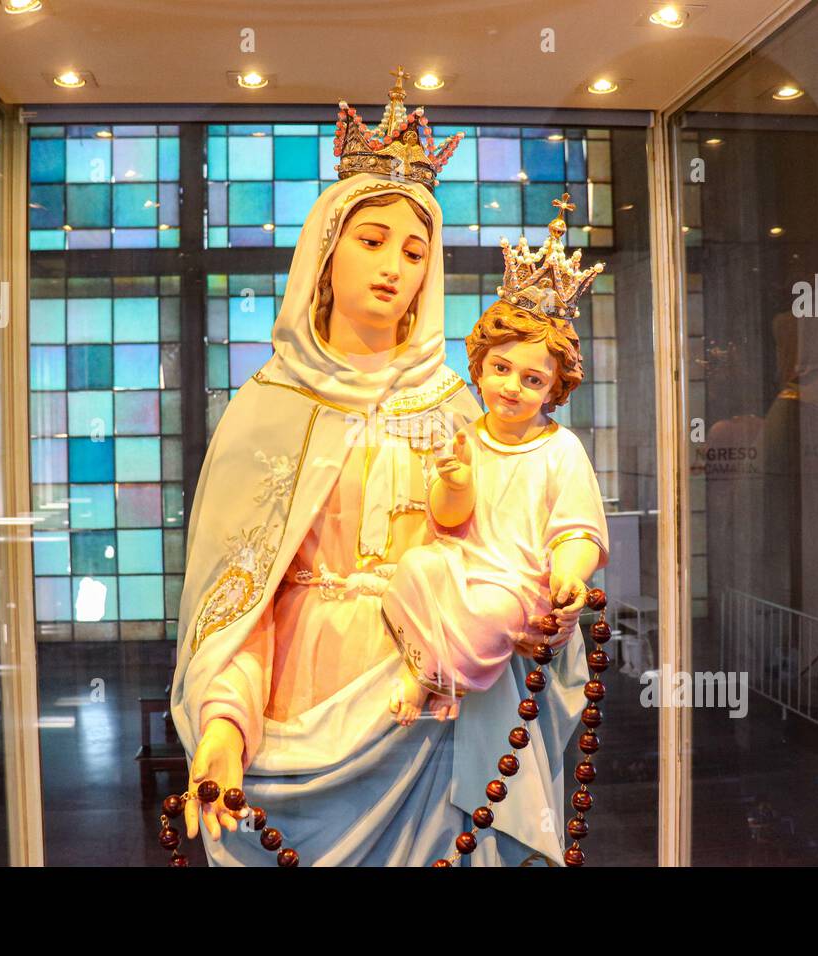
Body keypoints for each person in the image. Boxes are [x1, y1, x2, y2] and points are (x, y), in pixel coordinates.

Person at [170, 74, 588, 865]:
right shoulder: (266, 409)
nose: (394, 267)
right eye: (371, 241)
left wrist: (553, 613)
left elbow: (515, 555)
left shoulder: (460, 406)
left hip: (434, 710)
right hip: (293, 705)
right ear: (326, 251)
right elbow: (232, 604)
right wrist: (223, 723)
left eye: (414, 251)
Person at [382, 292, 609, 725]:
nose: (510, 387)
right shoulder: (467, 438)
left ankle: (443, 679)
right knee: (417, 565)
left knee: (493, 611)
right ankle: (431, 666)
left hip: (521, 580)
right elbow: (447, 521)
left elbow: (578, 531)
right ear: (480, 368)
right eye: (500, 369)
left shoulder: (561, 449)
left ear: (553, 389)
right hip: (466, 561)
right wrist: (456, 484)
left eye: (532, 380)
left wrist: (569, 572)